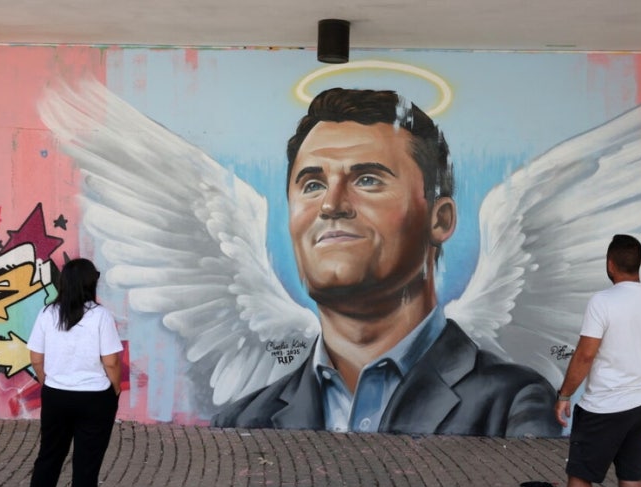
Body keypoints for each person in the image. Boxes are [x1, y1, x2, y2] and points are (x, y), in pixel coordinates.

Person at [212, 87, 561, 437]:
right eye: (313, 184)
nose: (331, 205)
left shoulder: (512, 405)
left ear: (439, 220)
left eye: (367, 180)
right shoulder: (242, 422)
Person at [555, 234, 641, 487]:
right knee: (631, 476)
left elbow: (585, 355)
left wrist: (564, 395)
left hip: (604, 406)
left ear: (610, 264)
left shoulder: (602, 302)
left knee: (581, 475)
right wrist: (639, 388)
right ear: (638, 264)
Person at [27, 258, 123, 487]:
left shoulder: (47, 313)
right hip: (94, 398)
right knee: (86, 466)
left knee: (49, 456)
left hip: (56, 395)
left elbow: (36, 358)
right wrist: (116, 388)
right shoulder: (101, 316)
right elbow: (111, 361)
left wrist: (48, 383)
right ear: (91, 283)